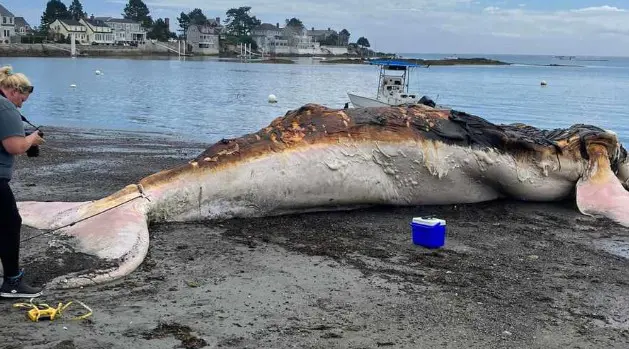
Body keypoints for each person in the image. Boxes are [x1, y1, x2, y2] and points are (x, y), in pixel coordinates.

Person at [0, 65, 44, 298]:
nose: (22, 104)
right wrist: (31, 140)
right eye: (22, 100)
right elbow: (14, 146)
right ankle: (12, 281)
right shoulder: (4, 105)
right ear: (14, 90)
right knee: (10, 224)